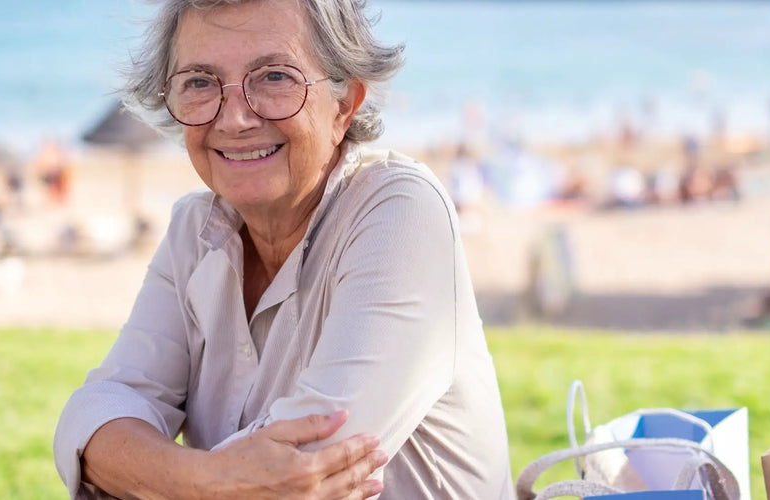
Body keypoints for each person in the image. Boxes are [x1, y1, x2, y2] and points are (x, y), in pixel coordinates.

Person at [53, 0, 513, 499]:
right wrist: (206, 482)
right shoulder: (195, 229)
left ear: (344, 105)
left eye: (274, 77)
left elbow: (303, 469)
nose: (234, 119)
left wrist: (147, 471)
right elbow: (95, 413)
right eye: (200, 82)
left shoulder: (400, 209)